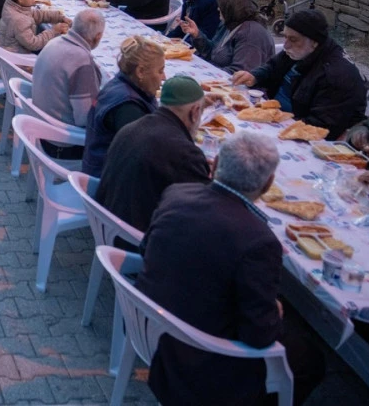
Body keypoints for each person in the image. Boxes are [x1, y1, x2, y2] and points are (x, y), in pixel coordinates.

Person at [136, 132, 324, 406]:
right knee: (312, 360)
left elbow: (146, 250)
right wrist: (273, 312)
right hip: (202, 363)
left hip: (152, 325)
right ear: (268, 184)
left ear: (213, 165)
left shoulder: (176, 193)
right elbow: (259, 335)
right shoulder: (259, 241)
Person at [95, 76, 211, 233]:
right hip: (137, 238)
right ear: (195, 112)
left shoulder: (131, 126)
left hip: (104, 221)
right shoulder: (185, 152)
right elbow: (205, 208)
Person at [231, 9, 367, 140]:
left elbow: (320, 126)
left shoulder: (337, 76)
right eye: (285, 37)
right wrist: (254, 76)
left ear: (314, 42)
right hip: (278, 115)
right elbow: (273, 67)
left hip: (302, 131)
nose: (285, 45)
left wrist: (277, 122)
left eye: (293, 39)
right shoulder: (302, 50)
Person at [83, 36, 165, 177]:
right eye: (160, 71)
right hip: (106, 185)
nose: (164, 77)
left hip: (99, 169)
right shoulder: (128, 108)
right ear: (140, 72)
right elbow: (147, 158)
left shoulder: (120, 85)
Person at [31, 9, 106, 132]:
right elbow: (85, 118)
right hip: (60, 138)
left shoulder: (55, 41)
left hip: (38, 121)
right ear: (98, 37)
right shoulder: (81, 61)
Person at [184, 0, 275, 74]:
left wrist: (204, 73)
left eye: (221, 6)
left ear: (232, 9)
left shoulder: (251, 34)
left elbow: (239, 72)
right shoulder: (230, 25)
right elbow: (214, 54)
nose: (218, 9)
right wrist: (196, 34)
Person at [0, 0, 71, 55]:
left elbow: (37, 15)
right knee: (54, 51)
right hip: (16, 56)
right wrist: (54, 31)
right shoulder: (19, 20)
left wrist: (59, 17)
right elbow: (34, 44)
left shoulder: (12, 6)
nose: (34, 0)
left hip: (8, 48)